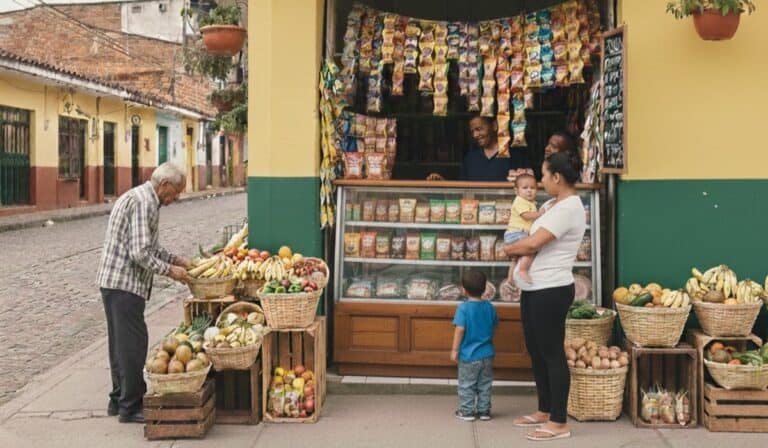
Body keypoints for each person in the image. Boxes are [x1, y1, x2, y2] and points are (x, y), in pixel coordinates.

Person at [96, 163, 192, 424]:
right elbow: (140, 252)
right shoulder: (144, 203)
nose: (177, 198)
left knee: (119, 345)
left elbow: (151, 246)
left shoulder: (141, 197)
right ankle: (131, 405)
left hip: (113, 283)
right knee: (133, 345)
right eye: (176, 192)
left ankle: (117, 400)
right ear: (164, 185)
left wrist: (178, 260)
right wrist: (171, 271)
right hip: (124, 284)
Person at [504, 151, 586, 442]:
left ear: (557, 177)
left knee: (552, 353)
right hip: (535, 287)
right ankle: (544, 410)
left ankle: (559, 421)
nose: (540, 181)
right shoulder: (553, 203)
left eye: (543, 175)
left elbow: (535, 242)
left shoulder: (569, 208)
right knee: (536, 350)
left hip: (551, 289)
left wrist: (510, 250)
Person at [451, 270, 498, 422]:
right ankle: (484, 411)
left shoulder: (463, 308)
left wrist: (455, 350)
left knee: (467, 384)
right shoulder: (490, 307)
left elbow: (460, 329)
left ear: (463, 290)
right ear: (485, 289)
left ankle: (467, 411)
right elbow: (494, 325)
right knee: (485, 384)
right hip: (487, 354)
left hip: (469, 355)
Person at [427, 115, 529, 181]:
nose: (475, 135)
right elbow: (462, 188)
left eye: (479, 129)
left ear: (494, 126)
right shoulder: (471, 158)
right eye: (472, 131)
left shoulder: (515, 155)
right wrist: (443, 183)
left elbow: (528, 186)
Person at [504, 173, 542, 285]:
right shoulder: (520, 201)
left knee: (515, 260)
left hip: (516, 234)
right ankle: (523, 270)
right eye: (525, 188)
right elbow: (526, 215)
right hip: (518, 234)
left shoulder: (529, 202)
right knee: (529, 252)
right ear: (516, 191)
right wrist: (540, 214)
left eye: (533, 188)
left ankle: (510, 279)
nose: (529, 190)